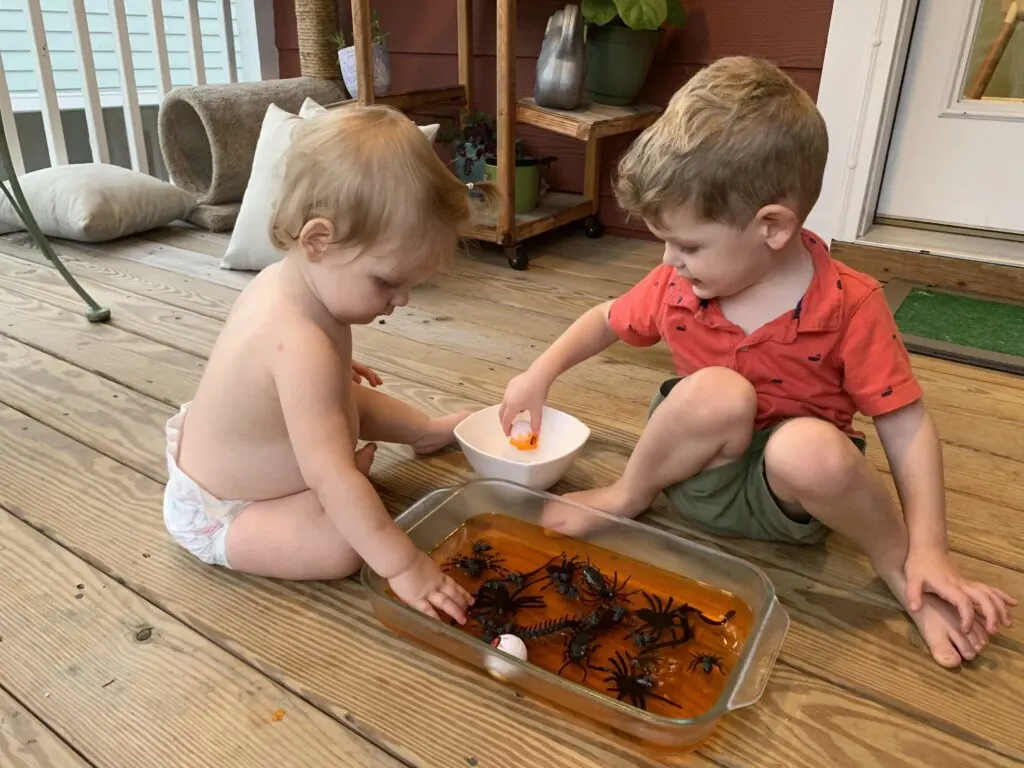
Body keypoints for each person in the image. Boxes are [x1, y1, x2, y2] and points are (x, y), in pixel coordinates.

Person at [498, 56, 1016, 668]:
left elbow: (906, 428)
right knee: (718, 390)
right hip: (694, 473)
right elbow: (606, 319)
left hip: (791, 499)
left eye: (688, 244)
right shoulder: (677, 285)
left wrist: (931, 545)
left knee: (806, 449)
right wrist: (538, 374)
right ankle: (627, 494)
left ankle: (904, 570)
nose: (670, 260)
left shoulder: (851, 304)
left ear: (771, 226)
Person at [163, 104, 495, 624]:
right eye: (387, 282)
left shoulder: (288, 283)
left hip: (248, 446)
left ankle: (425, 431)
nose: (402, 300)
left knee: (345, 402)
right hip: (227, 508)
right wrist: (404, 565)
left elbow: (273, 371)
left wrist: (335, 374)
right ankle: (313, 502)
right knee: (342, 546)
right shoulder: (298, 343)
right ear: (318, 240)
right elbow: (331, 469)